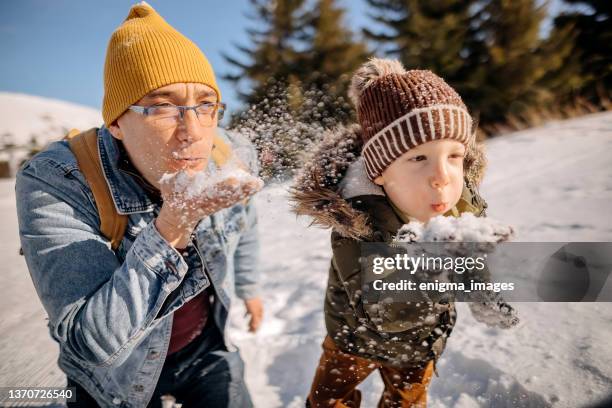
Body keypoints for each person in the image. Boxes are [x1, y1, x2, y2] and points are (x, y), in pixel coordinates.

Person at [16, 3, 262, 407]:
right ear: (115, 122)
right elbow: (91, 343)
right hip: (114, 380)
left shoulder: (229, 153)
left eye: (205, 104)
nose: (192, 132)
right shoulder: (56, 180)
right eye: (162, 106)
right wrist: (172, 228)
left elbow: (248, 224)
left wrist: (250, 287)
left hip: (206, 350)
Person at [291, 58, 492, 407]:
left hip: (420, 343)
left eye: (454, 155)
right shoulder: (357, 224)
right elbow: (390, 311)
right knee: (329, 401)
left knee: (408, 402)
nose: (442, 176)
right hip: (353, 339)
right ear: (380, 171)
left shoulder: (461, 209)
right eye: (418, 158)